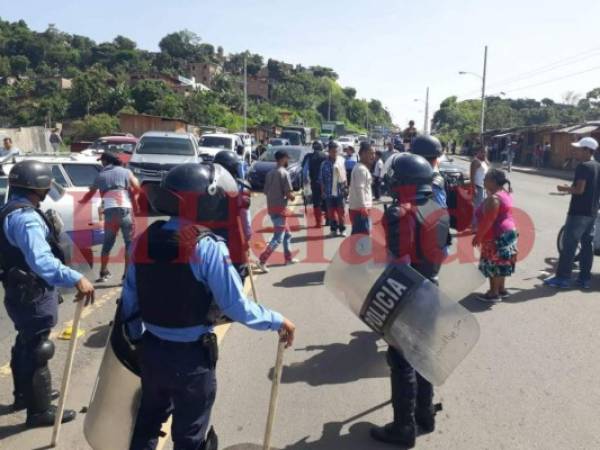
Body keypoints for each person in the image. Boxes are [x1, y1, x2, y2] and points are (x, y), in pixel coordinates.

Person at [123, 163, 296, 449]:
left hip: (151, 351)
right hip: (190, 360)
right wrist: (277, 320)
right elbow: (236, 306)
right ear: (206, 201)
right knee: (190, 436)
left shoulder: (143, 239)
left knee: (147, 423)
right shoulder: (208, 247)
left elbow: (130, 299)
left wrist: (139, 341)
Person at [0, 160, 95, 427]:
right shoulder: (27, 218)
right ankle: (39, 411)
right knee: (38, 348)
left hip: (17, 289)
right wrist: (75, 278)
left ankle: (25, 395)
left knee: (25, 342)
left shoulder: (9, 209)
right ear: (39, 186)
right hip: (31, 292)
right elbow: (40, 261)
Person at [371, 153, 449, 448]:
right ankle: (425, 415)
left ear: (402, 181)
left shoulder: (400, 213)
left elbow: (398, 261)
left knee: (401, 361)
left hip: (407, 294)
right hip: (432, 289)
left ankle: (403, 427)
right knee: (424, 356)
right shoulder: (437, 207)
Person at [544, 137, 600, 289]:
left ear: (587, 151)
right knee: (587, 246)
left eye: (579, 149)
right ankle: (584, 279)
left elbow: (579, 190)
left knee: (569, 245)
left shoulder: (583, 167)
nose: (576, 151)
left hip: (578, 212)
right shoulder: (597, 166)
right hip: (592, 213)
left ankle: (562, 278)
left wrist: (565, 189)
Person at [79, 151, 139, 282]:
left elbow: (91, 193)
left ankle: (103, 272)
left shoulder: (101, 175)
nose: (101, 162)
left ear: (106, 161)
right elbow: (137, 187)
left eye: (102, 160)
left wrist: (81, 202)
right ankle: (126, 276)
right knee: (129, 244)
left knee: (107, 244)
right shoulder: (126, 172)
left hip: (110, 212)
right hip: (125, 211)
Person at [472, 169, 518, 302]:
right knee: (502, 262)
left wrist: (478, 236)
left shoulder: (494, 199)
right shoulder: (505, 193)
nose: (483, 180)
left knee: (494, 264)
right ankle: (501, 289)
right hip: (509, 232)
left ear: (492, 181)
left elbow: (489, 220)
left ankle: (493, 293)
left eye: (485, 178)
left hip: (497, 234)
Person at [257, 150, 298, 273]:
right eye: (287, 158)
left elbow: (265, 191)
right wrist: (292, 197)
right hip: (280, 209)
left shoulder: (270, 173)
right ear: (282, 159)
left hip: (272, 207)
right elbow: (288, 193)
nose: (288, 160)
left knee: (287, 234)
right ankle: (262, 260)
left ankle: (288, 258)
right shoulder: (284, 173)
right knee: (278, 238)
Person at [213, 150, 252, 280]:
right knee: (237, 274)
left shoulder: (208, 185)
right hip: (233, 238)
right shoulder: (239, 187)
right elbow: (245, 219)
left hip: (210, 237)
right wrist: (247, 239)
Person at [319, 141, 347, 237]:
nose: (334, 153)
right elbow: (321, 179)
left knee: (341, 212)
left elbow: (345, 177)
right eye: (332, 151)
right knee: (331, 213)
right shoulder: (324, 164)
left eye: (336, 151)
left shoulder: (341, 162)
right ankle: (333, 229)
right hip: (328, 193)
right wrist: (323, 192)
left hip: (340, 192)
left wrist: (346, 190)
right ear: (329, 152)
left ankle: (342, 229)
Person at [348, 142, 375, 235]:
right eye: (371, 153)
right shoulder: (361, 169)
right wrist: (363, 207)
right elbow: (360, 188)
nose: (373, 156)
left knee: (359, 239)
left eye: (374, 153)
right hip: (361, 210)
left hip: (360, 209)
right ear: (363, 154)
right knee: (362, 240)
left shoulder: (361, 167)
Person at [302, 140, 328, 227]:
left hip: (315, 182)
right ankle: (329, 220)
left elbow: (305, 172)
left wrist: (305, 184)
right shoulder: (326, 156)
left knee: (316, 202)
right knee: (327, 200)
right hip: (326, 183)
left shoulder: (309, 157)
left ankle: (318, 223)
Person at [470, 147, 489, 231]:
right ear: (478, 152)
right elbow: (472, 176)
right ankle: (474, 227)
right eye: (482, 152)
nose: (484, 154)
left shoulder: (484, 161)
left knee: (483, 207)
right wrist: (473, 188)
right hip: (478, 186)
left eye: (485, 152)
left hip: (484, 187)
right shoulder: (475, 161)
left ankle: (479, 224)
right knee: (477, 208)